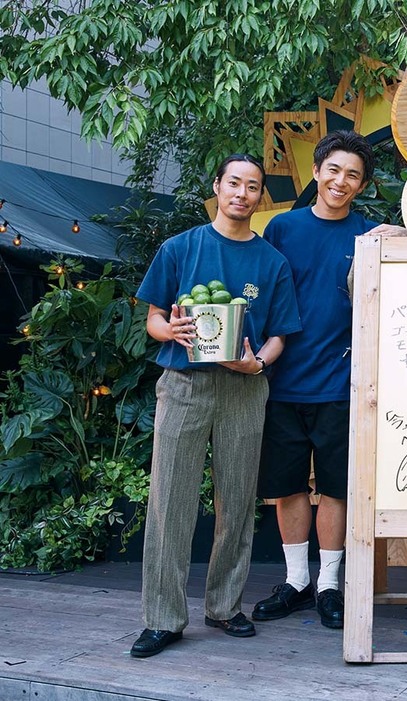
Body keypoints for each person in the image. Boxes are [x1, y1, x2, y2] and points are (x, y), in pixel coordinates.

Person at [130, 154, 302, 658]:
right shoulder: (180, 247)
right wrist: (172, 330)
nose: (242, 193)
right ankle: (163, 618)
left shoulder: (272, 262)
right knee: (169, 500)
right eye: (234, 183)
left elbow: (277, 336)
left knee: (237, 499)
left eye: (253, 186)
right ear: (218, 186)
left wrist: (259, 365)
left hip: (245, 390)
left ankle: (225, 606)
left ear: (259, 196)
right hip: (184, 384)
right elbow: (154, 319)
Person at [251, 131, 405, 629]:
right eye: (334, 170)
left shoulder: (367, 235)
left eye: (353, 175)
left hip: (344, 383)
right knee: (289, 487)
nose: (341, 181)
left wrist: (399, 236)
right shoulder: (281, 229)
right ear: (317, 172)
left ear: (362, 185)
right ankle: (296, 581)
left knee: (335, 488)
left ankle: (329, 585)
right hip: (281, 380)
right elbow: (261, 298)